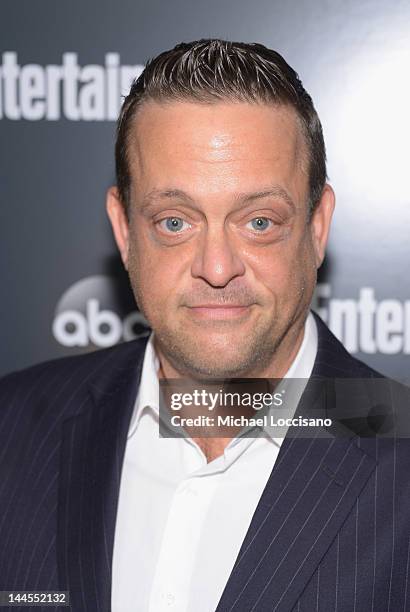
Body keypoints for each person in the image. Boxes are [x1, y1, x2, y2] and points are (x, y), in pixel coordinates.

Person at [0, 38, 409, 612]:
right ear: (123, 229)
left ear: (318, 227)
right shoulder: (11, 433)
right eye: (174, 221)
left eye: (259, 221)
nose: (217, 267)